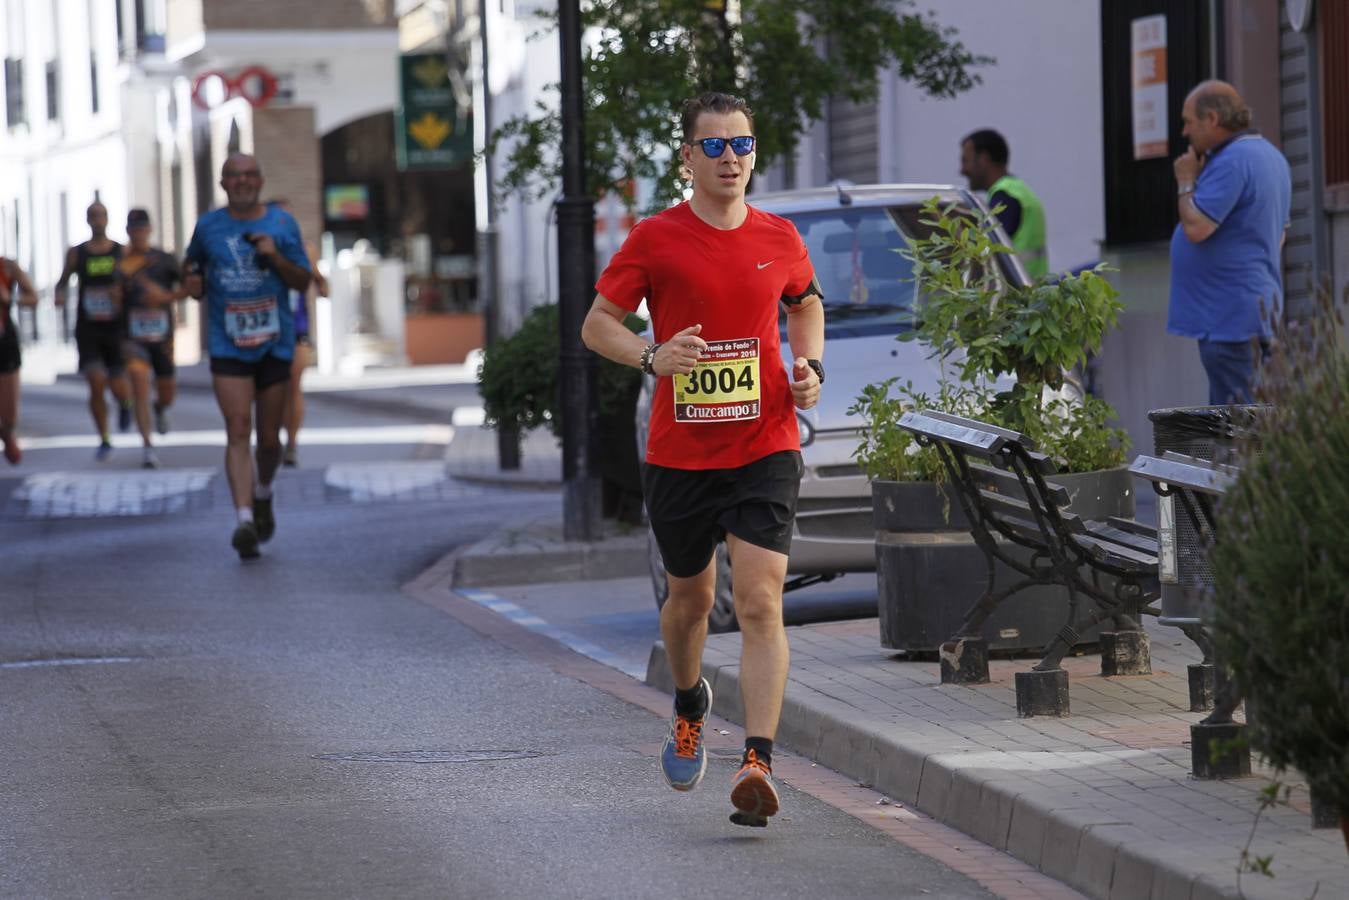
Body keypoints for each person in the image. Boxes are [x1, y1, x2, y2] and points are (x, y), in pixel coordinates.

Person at [581, 92, 824, 828]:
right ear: (686, 156)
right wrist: (653, 355)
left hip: (765, 443)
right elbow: (598, 326)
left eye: (741, 146)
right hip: (680, 455)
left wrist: (807, 364)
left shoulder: (779, 236)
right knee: (689, 602)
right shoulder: (655, 238)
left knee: (758, 601)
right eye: (713, 147)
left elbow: (805, 303)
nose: (729, 160)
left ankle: (757, 761)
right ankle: (689, 703)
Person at [183, 154, 312, 560]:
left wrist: (275, 256)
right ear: (222, 183)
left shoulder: (281, 224)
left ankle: (263, 493)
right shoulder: (208, 227)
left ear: (260, 180)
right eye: (233, 176)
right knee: (238, 429)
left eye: (249, 175)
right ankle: (243, 520)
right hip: (228, 343)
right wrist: (191, 282)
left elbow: (303, 279)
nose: (241, 182)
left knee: (269, 440)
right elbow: (194, 276)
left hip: (274, 343)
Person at [1169, 80, 1291, 405]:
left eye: (1189, 121)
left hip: (1227, 318)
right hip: (1255, 308)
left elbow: (1195, 227)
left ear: (1212, 119)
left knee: (1234, 423)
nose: (1184, 132)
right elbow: (1279, 235)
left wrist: (1185, 181)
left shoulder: (1232, 162)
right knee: (1257, 413)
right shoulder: (1271, 156)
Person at [55, 201, 134, 460]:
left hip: (115, 328)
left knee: (117, 383)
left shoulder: (120, 251)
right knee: (96, 383)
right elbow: (62, 281)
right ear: (88, 220)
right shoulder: (77, 253)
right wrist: (60, 296)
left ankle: (125, 403)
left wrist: (122, 294)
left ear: (108, 219)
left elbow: (134, 285)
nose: (97, 221)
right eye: (93, 216)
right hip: (88, 328)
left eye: (101, 216)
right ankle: (104, 438)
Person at [118, 209, 185, 469]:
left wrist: (165, 298)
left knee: (167, 392)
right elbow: (112, 295)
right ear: (128, 232)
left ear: (149, 229)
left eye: (141, 229)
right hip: (132, 336)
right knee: (139, 383)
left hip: (162, 337)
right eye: (133, 229)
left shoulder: (164, 259)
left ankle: (161, 408)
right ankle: (147, 446)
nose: (137, 234)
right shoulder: (120, 263)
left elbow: (187, 288)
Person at [266, 199, 330, 468]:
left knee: (293, 384)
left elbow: (323, 288)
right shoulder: (258, 250)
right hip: (266, 328)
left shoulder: (306, 250)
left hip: (296, 327)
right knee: (270, 389)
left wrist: (317, 276)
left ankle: (291, 443)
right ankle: (271, 438)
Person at [959, 128, 1048, 278]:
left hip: (1018, 295)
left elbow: (985, 251)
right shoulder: (1018, 190)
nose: (962, 170)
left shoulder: (1005, 196)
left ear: (984, 159)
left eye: (965, 161)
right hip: (1033, 291)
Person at [0, 256, 39, 465]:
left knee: (9, 415)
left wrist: (10, 300)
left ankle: (7, 434)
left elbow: (33, 298)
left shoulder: (7, 266)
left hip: (4, 342)